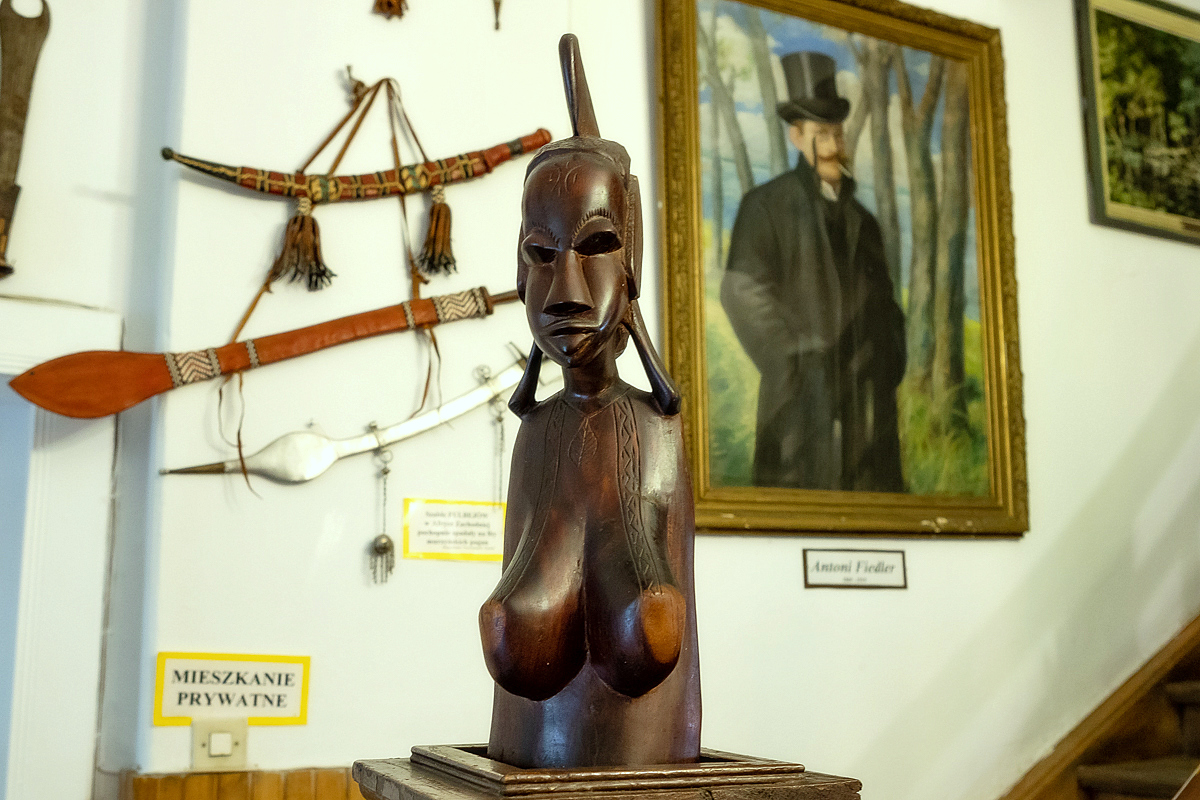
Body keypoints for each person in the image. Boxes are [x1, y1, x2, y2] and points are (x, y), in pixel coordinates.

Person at [720, 51, 906, 492]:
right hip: (798, 410)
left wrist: (886, 361)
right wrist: (797, 362)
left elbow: (887, 306)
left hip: (865, 413)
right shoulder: (766, 206)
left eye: (837, 133)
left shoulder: (865, 222)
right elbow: (742, 292)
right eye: (821, 133)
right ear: (797, 137)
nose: (832, 144)